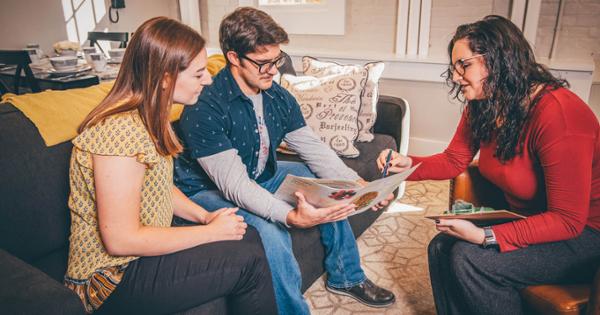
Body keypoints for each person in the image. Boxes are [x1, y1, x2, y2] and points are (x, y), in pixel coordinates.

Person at [174, 7, 396, 314]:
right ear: (233, 57)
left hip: (258, 173)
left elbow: (312, 148)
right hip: (204, 190)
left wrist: (355, 184)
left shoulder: (277, 95)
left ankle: (346, 276)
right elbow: (235, 185)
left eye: (277, 60)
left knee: (326, 184)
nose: (273, 70)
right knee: (270, 227)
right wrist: (288, 216)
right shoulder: (205, 106)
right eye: (263, 63)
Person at [378, 15, 600, 315]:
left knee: (471, 259)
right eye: (454, 67)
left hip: (585, 234)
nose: (456, 76)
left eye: (464, 65)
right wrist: (407, 164)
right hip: (531, 216)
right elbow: (453, 160)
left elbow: (568, 219)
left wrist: (487, 236)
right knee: (442, 247)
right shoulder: (485, 103)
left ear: (498, 61)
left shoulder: (559, 114)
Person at [64, 17, 277, 315]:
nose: (208, 80)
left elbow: (160, 186)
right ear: (165, 77)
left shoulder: (151, 116)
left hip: (137, 257)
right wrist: (211, 233)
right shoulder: (120, 132)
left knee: (248, 234)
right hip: (109, 278)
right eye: (199, 74)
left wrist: (205, 217)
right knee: (247, 260)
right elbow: (120, 240)